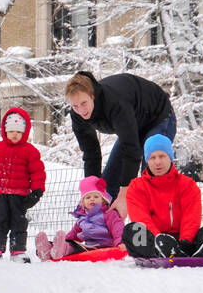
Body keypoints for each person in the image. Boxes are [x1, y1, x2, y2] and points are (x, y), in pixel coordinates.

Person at [65, 70, 176, 216]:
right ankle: (101, 232)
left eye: (84, 103)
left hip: (158, 117)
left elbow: (131, 150)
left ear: (92, 96)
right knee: (107, 186)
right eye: (75, 106)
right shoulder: (78, 116)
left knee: (150, 175)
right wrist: (91, 192)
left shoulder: (114, 103)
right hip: (134, 124)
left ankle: (158, 229)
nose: (81, 110)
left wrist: (124, 194)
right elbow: (91, 153)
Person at [123, 134, 203, 259]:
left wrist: (185, 242)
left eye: (162, 156)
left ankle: (196, 252)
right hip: (153, 240)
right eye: (152, 158)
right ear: (147, 160)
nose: (157, 162)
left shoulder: (187, 185)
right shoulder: (137, 186)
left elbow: (191, 217)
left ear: (170, 157)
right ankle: (161, 251)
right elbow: (141, 218)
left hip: (182, 240)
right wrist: (159, 240)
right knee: (133, 231)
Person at [0, 107, 45, 263]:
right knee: (0, 220)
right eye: (11, 131)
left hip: (20, 195)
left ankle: (17, 250)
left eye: (18, 132)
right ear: (5, 130)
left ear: (24, 132)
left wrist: (37, 191)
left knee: (19, 221)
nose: (14, 135)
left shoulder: (30, 151)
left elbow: (37, 172)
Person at [35, 175, 125, 260]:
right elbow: (74, 233)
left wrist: (120, 243)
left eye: (96, 196)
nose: (92, 199)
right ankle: (48, 250)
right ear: (83, 203)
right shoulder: (82, 218)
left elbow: (118, 228)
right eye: (88, 197)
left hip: (105, 248)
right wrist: (66, 241)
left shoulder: (109, 214)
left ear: (103, 200)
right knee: (72, 247)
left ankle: (60, 250)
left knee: (76, 249)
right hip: (88, 248)